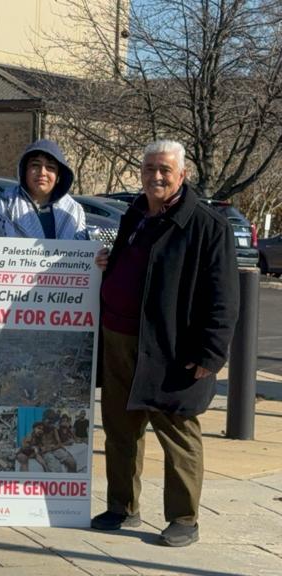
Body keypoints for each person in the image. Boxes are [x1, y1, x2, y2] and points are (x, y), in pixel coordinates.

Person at [91, 140, 239, 548]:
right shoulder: (135, 214)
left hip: (171, 348)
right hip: (118, 341)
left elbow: (223, 297)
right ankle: (122, 507)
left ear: (182, 175)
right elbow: (131, 268)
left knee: (178, 433)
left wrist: (212, 353)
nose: (156, 176)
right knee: (121, 431)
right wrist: (108, 265)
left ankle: (184, 519)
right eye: (149, 168)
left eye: (165, 170)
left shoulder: (209, 226)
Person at [0, 139, 88, 276]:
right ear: (24, 171)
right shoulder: (0, 209)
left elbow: (84, 260)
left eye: (50, 167)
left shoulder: (73, 212)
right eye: (35, 165)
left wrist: (97, 262)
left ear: (59, 176)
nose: (42, 172)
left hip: (61, 294)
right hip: (10, 295)